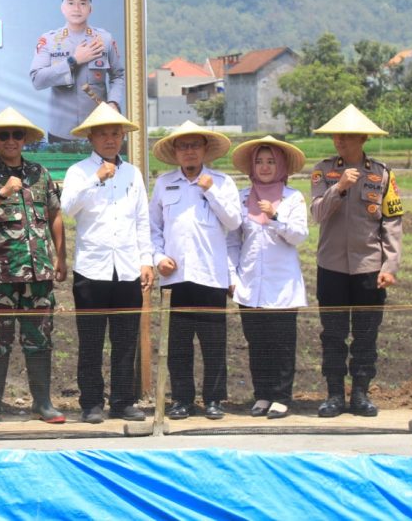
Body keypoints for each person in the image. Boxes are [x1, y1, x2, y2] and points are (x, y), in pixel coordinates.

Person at [0, 107, 67, 425]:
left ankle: (43, 403)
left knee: (40, 338)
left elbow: (54, 215)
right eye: (4, 135)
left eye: (17, 135)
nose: (11, 140)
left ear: (25, 140)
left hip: (38, 273)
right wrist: (1, 193)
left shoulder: (41, 174)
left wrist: (60, 256)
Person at [60, 103, 154, 424]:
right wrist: (97, 179)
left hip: (127, 267)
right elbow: (68, 208)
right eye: (103, 133)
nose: (110, 139)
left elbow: (143, 219)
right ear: (91, 137)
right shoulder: (79, 172)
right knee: (91, 341)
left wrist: (146, 260)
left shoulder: (133, 173)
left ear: (123, 137)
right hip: (91, 269)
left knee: (126, 339)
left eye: (116, 133)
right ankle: (90, 403)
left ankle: (124, 401)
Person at [310, 105, 403, 418]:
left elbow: (392, 222)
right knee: (333, 333)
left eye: (347, 136)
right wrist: (340, 188)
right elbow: (318, 214)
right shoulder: (323, 172)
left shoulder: (382, 174)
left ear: (362, 138)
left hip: (369, 268)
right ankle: (334, 394)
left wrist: (389, 267)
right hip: (331, 267)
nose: (340, 141)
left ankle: (361, 394)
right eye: (336, 135)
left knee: (366, 333)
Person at [149, 120, 241, 420]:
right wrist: (158, 257)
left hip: (210, 274)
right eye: (183, 146)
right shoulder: (164, 183)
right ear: (175, 151)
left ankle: (214, 399)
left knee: (214, 344)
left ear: (205, 149)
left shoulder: (222, 182)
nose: (189, 151)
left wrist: (211, 191)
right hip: (174, 276)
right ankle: (182, 400)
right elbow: (153, 228)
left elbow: (234, 222)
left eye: (194, 145)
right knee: (177, 345)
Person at [227, 136, 309, 420]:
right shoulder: (240, 197)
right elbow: (233, 241)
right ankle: (261, 394)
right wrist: (232, 276)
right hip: (250, 282)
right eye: (259, 162)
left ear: (282, 165)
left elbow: (299, 235)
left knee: (282, 341)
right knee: (257, 341)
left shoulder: (293, 198)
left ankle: (282, 397)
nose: (264, 167)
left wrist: (275, 218)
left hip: (282, 282)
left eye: (271, 161)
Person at [29, 0, 126, 141]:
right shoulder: (49, 40)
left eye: (82, 3)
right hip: (61, 131)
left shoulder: (104, 39)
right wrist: (74, 60)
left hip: (97, 128)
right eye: (71, 3)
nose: (76, 8)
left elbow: (118, 76)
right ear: (63, 8)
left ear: (90, 8)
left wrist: (114, 102)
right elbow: (37, 80)